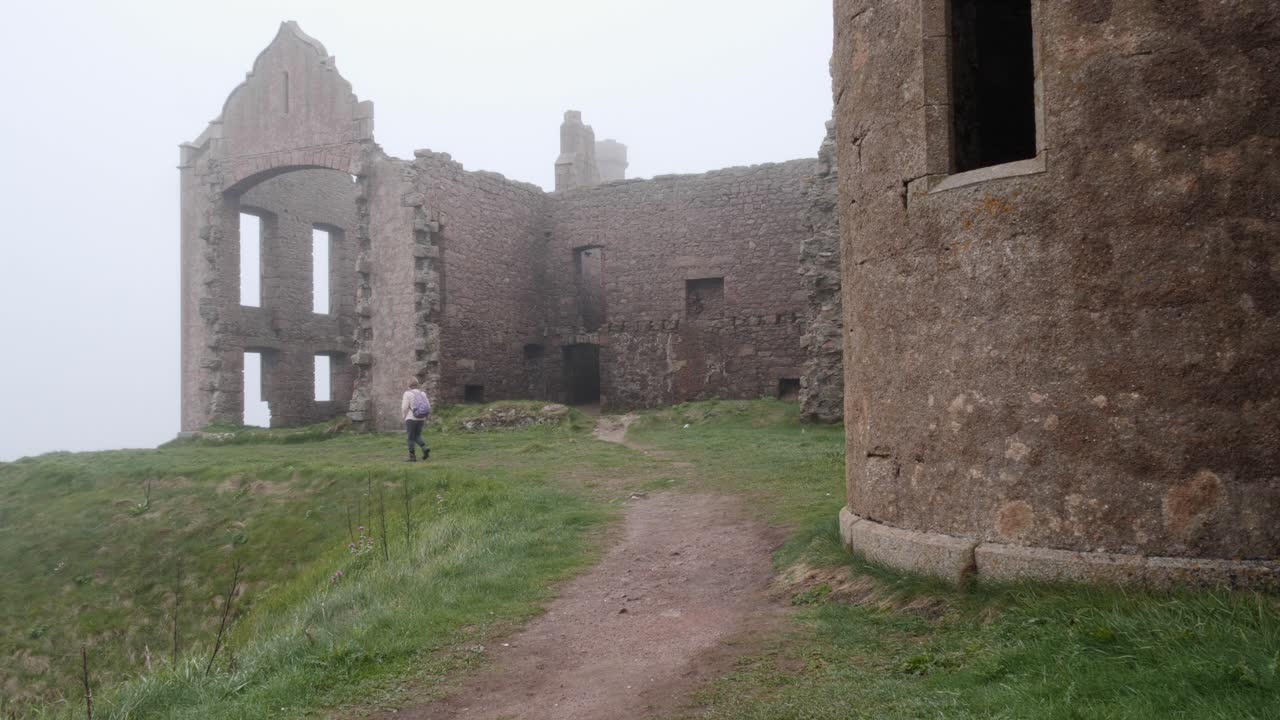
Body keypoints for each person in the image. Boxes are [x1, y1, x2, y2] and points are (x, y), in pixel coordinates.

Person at [401, 379, 432, 462]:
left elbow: (404, 407)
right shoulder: (422, 393)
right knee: (417, 435)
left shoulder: (407, 393)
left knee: (410, 437)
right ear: (417, 385)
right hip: (421, 418)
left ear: (409, 385)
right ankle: (424, 448)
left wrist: (403, 416)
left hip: (411, 418)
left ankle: (412, 457)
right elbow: (428, 407)